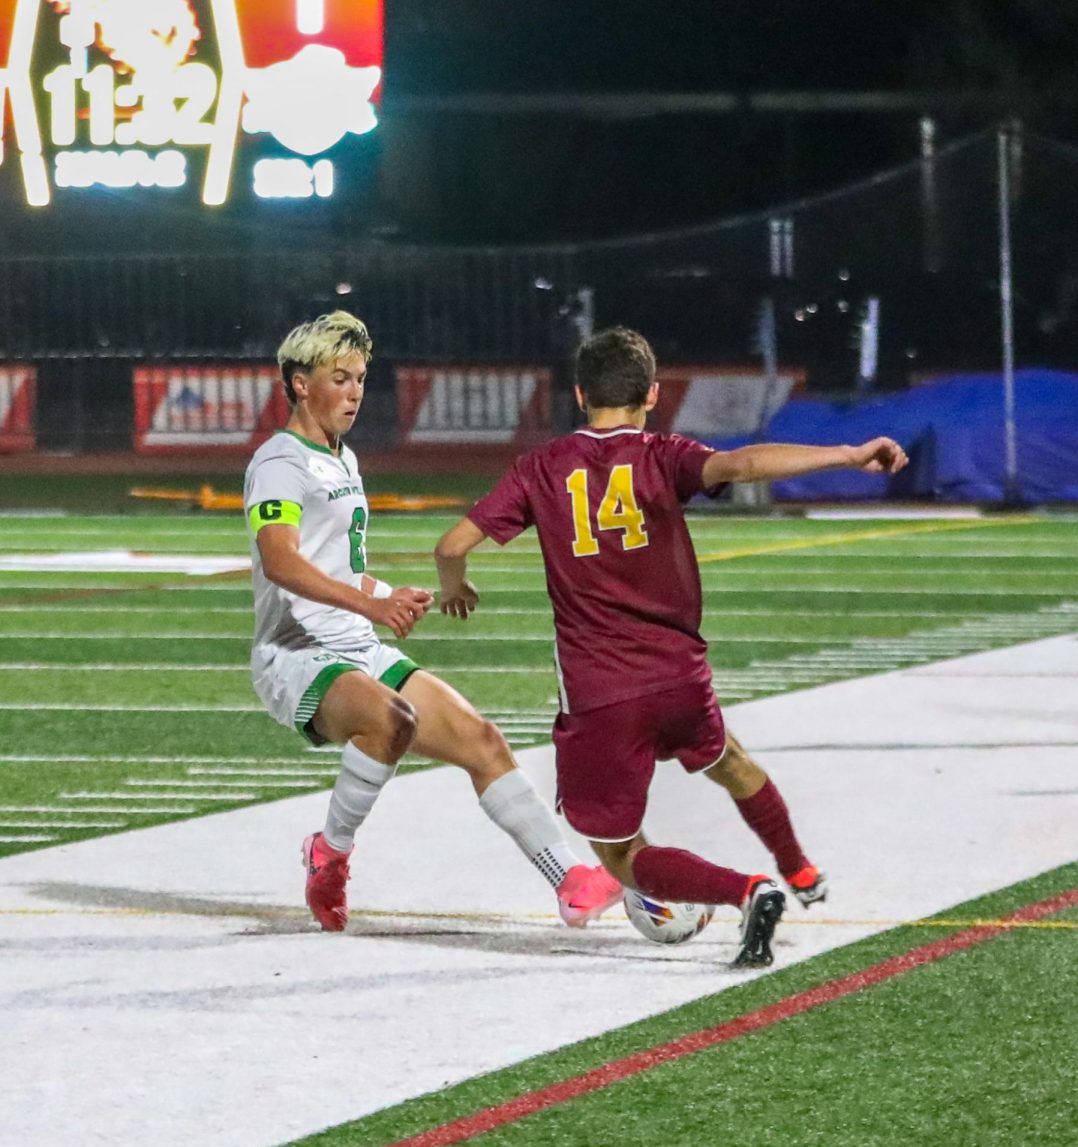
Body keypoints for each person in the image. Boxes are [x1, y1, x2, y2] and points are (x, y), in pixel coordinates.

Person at [435, 326, 909, 966]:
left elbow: (451, 545)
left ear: (579, 394)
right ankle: (799, 872)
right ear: (653, 395)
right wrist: (849, 455)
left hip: (601, 692)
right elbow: (741, 464)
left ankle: (747, 890)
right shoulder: (664, 454)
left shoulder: (540, 467)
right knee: (732, 763)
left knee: (621, 854)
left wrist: (455, 586)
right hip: (681, 677)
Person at [243, 311, 622, 932]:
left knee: (483, 740)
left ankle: (570, 881)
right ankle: (330, 855)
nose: (356, 391)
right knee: (390, 721)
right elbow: (281, 562)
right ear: (299, 382)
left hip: (353, 641)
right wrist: (372, 606)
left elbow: (339, 565)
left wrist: (390, 594)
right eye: (340, 377)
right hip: (296, 654)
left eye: (362, 378)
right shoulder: (280, 462)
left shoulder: (342, 459)